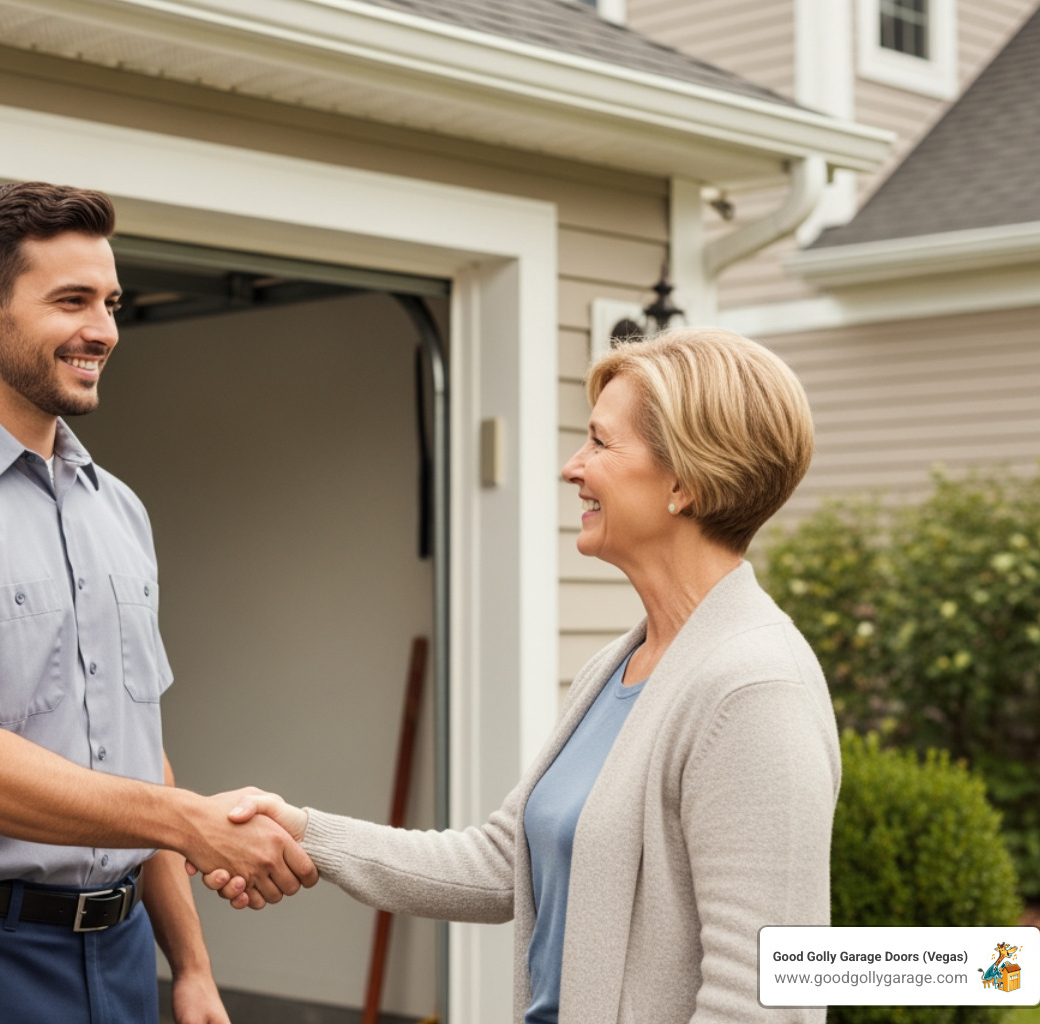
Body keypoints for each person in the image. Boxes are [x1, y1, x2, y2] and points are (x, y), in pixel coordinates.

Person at [204, 328, 841, 1023]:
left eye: (600, 442)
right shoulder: (616, 668)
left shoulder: (753, 692)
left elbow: (764, 1002)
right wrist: (303, 833)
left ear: (685, 482)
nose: (574, 467)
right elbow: (503, 862)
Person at [0, 181, 315, 1024]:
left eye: (112, 302)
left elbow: (137, 751)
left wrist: (188, 966)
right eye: (72, 300)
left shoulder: (116, 507)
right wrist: (191, 823)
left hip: (117, 960)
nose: (104, 330)